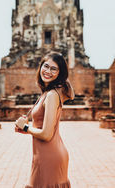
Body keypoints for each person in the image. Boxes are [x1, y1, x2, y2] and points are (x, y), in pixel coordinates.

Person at [15, 51, 75, 188]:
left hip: (49, 156)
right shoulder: (49, 92)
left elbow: (47, 135)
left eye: (54, 69)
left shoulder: (52, 95)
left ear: (60, 73)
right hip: (44, 155)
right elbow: (71, 94)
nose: (48, 71)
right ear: (40, 67)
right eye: (46, 66)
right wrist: (28, 129)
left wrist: (25, 127)